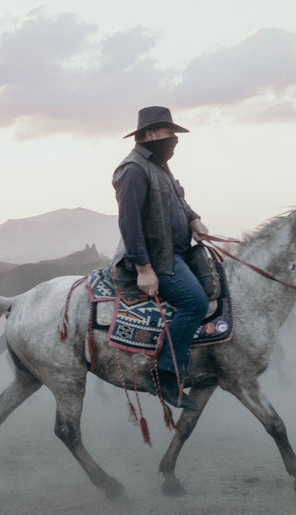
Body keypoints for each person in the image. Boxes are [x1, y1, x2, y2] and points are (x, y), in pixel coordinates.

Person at [112, 106, 210, 410]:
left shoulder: (159, 166)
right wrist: (144, 268)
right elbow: (129, 222)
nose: (174, 140)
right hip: (158, 259)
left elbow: (178, 200)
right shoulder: (133, 170)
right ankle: (166, 374)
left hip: (177, 252)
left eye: (174, 134)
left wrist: (194, 220)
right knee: (196, 303)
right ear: (150, 134)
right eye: (169, 133)